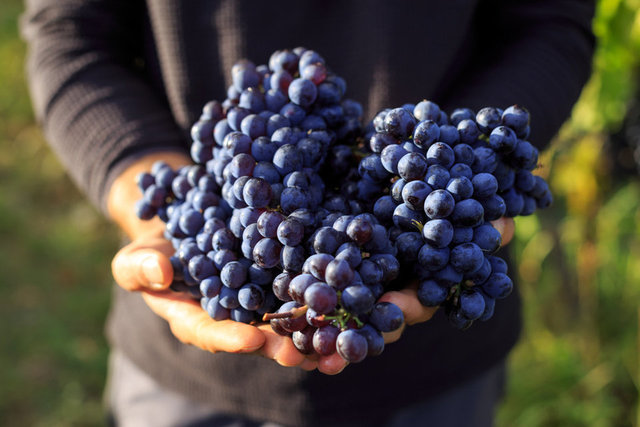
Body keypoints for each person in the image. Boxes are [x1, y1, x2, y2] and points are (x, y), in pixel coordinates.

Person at [21, 0, 595, 425]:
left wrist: (464, 157)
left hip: (435, 360)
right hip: (183, 365)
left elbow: (549, 25)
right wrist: (136, 172)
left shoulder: (420, 214)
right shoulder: (255, 185)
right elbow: (68, 35)